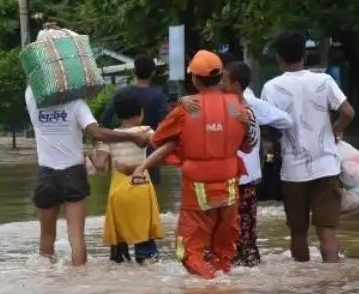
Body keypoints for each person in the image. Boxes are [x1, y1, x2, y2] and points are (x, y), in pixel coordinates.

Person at [133, 50, 255, 279]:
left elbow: (159, 138)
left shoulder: (186, 109)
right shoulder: (236, 106)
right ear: (221, 77)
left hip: (197, 188)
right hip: (230, 185)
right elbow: (247, 146)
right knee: (223, 250)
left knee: (189, 251)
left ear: (195, 79)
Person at [26, 85, 151, 267]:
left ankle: (47, 281)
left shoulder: (32, 99)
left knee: (46, 234)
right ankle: (80, 282)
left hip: (46, 174)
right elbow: (97, 133)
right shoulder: (76, 104)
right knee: (76, 233)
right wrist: (131, 137)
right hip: (74, 172)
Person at [260, 31, 355, 263]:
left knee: (298, 232)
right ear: (304, 55)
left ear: (279, 59)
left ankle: (303, 284)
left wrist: (274, 144)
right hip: (326, 167)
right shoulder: (324, 81)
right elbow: (348, 112)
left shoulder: (270, 88)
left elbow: (266, 129)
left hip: (292, 172)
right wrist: (335, 130)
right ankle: (332, 283)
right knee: (327, 232)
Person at [222, 62, 293, 266]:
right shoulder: (244, 105)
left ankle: (237, 262)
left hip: (237, 178)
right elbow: (285, 121)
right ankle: (244, 261)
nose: (220, 83)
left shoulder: (245, 106)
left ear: (235, 84)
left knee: (238, 227)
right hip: (241, 177)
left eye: (224, 79)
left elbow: (285, 120)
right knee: (243, 228)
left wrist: (255, 124)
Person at [89, 88, 163, 264]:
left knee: (118, 257)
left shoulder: (109, 137)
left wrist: (91, 153)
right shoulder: (146, 131)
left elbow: (100, 166)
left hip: (118, 194)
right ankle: (146, 260)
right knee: (145, 247)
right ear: (141, 112)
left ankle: (119, 259)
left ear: (118, 114)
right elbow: (161, 151)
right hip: (141, 189)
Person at [103, 55, 170, 183]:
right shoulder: (158, 95)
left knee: (121, 184)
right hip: (150, 152)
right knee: (151, 188)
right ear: (153, 73)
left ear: (134, 71)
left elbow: (106, 118)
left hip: (122, 150)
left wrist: (118, 134)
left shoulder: (122, 94)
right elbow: (165, 124)